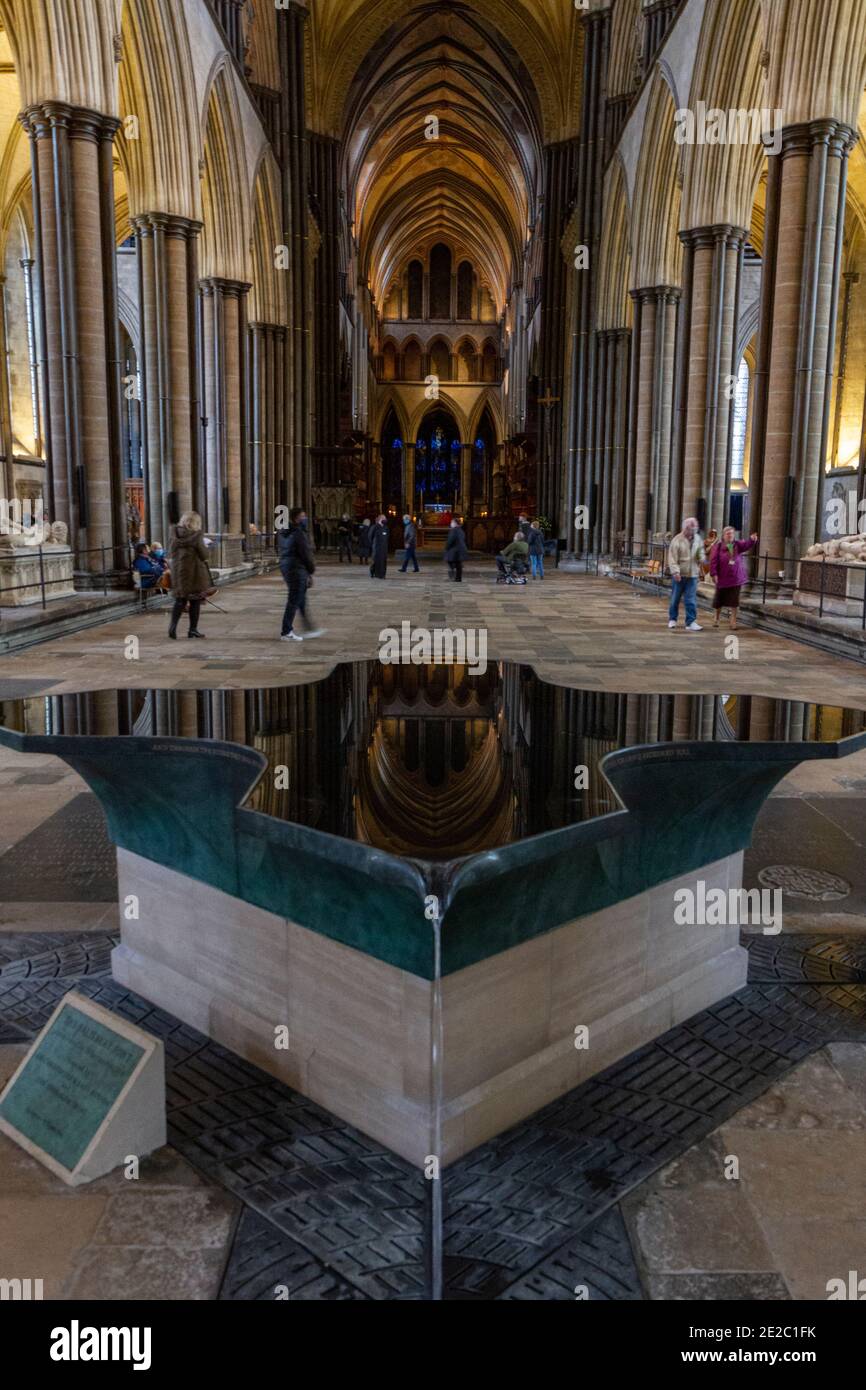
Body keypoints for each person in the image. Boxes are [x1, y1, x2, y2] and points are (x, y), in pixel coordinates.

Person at [277, 506, 324, 641]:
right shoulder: (298, 533)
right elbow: (305, 554)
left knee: (301, 599)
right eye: (303, 516)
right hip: (296, 569)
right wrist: (311, 570)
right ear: (296, 518)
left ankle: (309, 628)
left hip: (287, 567)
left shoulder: (284, 532)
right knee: (294, 600)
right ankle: (286, 632)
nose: (305, 519)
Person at [167, 511, 211, 639]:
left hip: (179, 571)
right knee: (195, 601)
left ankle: (172, 627)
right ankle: (193, 630)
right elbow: (204, 555)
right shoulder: (196, 536)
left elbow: (170, 551)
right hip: (194, 573)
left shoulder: (174, 534)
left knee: (180, 600)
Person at [710, 527, 759, 630]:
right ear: (724, 535)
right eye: (728, 533)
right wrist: (714, 574)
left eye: (731, 533)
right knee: (719, 599)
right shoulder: (718, 547)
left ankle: (733, 621)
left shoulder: (737, 544)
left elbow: (746, 545)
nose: (730, 535)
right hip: (722, 578)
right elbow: (713, 561)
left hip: (735, 577)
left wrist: (752, 539)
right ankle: (716, 618)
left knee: (734, 601)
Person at [667, 517, 705, 631]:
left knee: (691, 599)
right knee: (675, 598)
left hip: (692, 574)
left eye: (695, 528)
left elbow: (701, 551)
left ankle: (691, 622)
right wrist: (675, 572)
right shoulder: (677, 540)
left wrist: (701, 557)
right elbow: (672, 558)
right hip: (680, 574)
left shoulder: (698, 539)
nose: (693, 531)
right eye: (691, 529)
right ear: (685, 528)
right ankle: (672, 619)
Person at [445, 517, 467, 582]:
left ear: (455, 523)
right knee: (458, 564)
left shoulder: (454, 530)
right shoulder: (461, 530)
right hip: (460, 549)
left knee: (451, 562)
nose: (451, 524)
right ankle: (458, 578)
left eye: (452, 522)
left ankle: (453, 576)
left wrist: (447, 547)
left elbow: (450, 540)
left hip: (455, 550)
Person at [370, 514, 389, 579]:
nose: (385, 520)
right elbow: (370, 536)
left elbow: (387, 537)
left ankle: (382, 574)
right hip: (376, 547)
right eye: (384, 519)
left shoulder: (386, 528)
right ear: (380, 519)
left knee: (383, 561)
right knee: (376, 560)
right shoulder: (374, 527)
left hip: (384, 548)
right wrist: (373, 544)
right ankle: (374, 572)